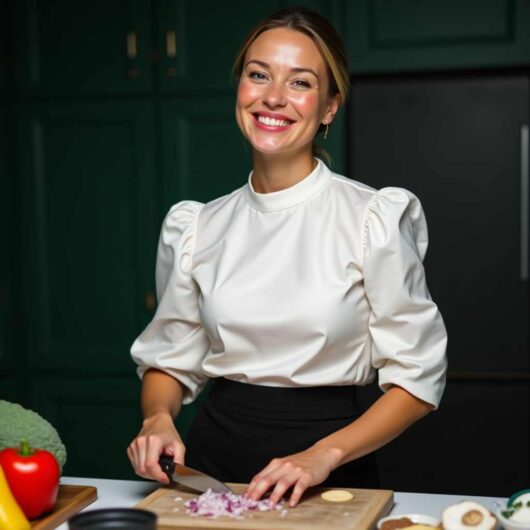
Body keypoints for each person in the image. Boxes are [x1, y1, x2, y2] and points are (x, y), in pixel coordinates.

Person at [127, 7, 447, 508]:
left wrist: (323, 455)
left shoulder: (373, 218)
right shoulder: (198, 226)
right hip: (211, 469)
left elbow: (418, 381)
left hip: (332, 476)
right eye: (259, 75)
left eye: (300, 82)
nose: (273, 96)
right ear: (240, 88)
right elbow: (169, 359)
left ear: (329, 107)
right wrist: (158, 418)